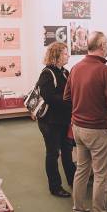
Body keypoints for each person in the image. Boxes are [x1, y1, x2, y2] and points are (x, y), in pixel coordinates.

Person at [64, 31, 107, 212]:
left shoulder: (75, 68)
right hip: (98, 130)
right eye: (106, 43)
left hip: (78, 128)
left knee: (82, 170)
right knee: (100, 176)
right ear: (100, 46)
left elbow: (67, 97)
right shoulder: (105, 71)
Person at [37, 42, 76, 198]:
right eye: (66, 53)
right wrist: (69, 101)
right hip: (50, 122)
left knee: (67, 151)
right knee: (53, 153)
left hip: (64, 121)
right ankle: (55, 187)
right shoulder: (47, 73)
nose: (68, 56)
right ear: (57, 55)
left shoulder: (65, 72)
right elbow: (49, 97)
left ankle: (73, 180)